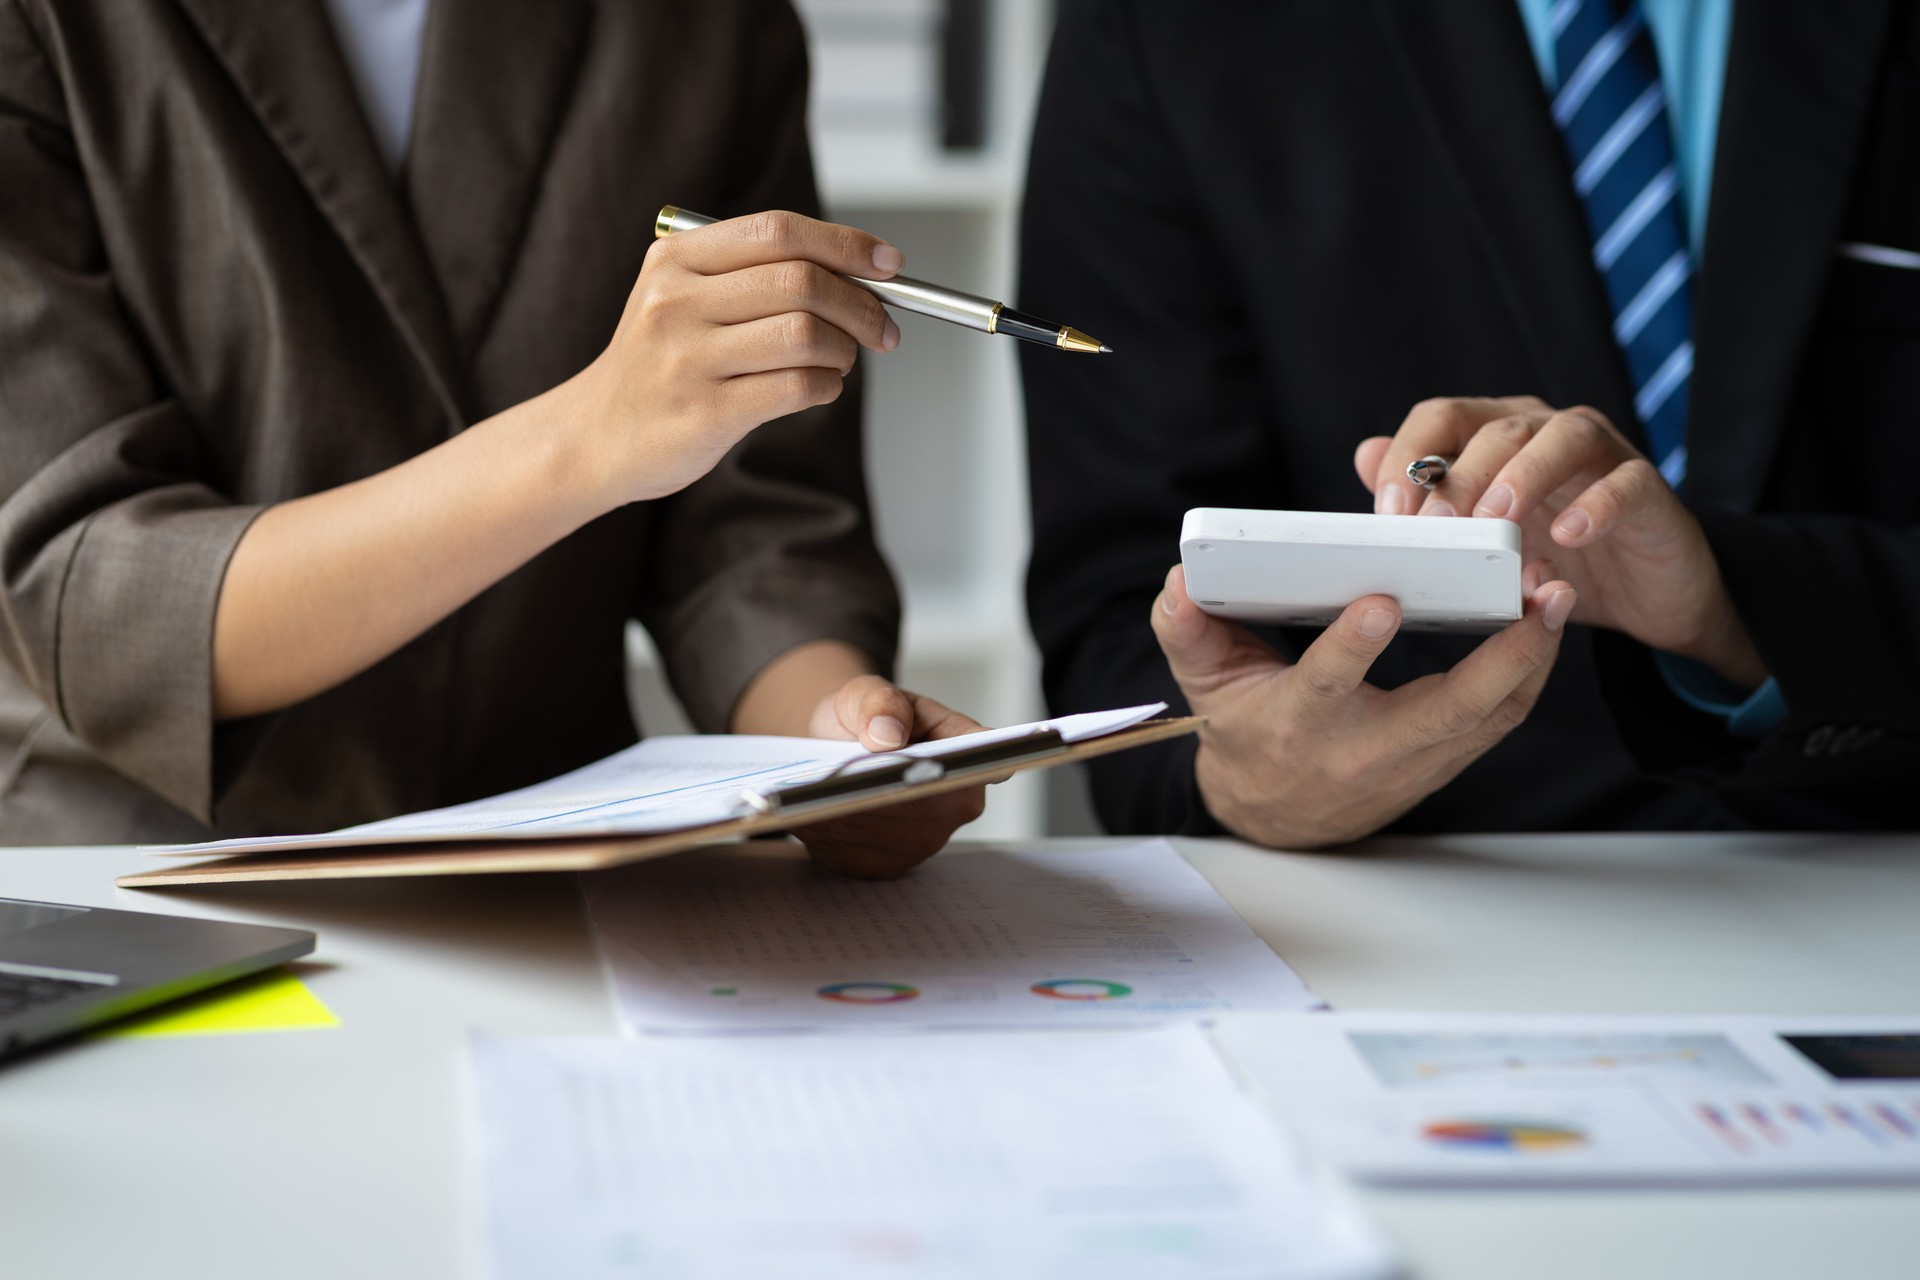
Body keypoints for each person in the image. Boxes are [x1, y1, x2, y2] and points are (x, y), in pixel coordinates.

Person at [0, 0, 982, 874]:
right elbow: (102, 603)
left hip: (559, 864)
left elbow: (754, 532)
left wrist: (832, 746)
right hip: (141, 869)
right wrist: (589, 438)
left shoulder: (709, 25)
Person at [1020, 0, 1920, 846]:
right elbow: (1116, 602)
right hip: (1415, 896)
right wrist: (1238, 774)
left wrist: (1732, 607)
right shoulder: (1167, 27)